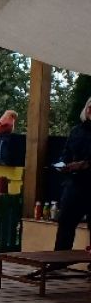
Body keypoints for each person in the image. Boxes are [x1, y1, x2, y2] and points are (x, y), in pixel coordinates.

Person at [55, 96, 91, 251]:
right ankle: (58, 262)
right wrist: (62, 164)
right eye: (89, 106)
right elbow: (66, 153)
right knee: (65, 224)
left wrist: (83, 165)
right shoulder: (76, 130)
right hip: (74, 185)